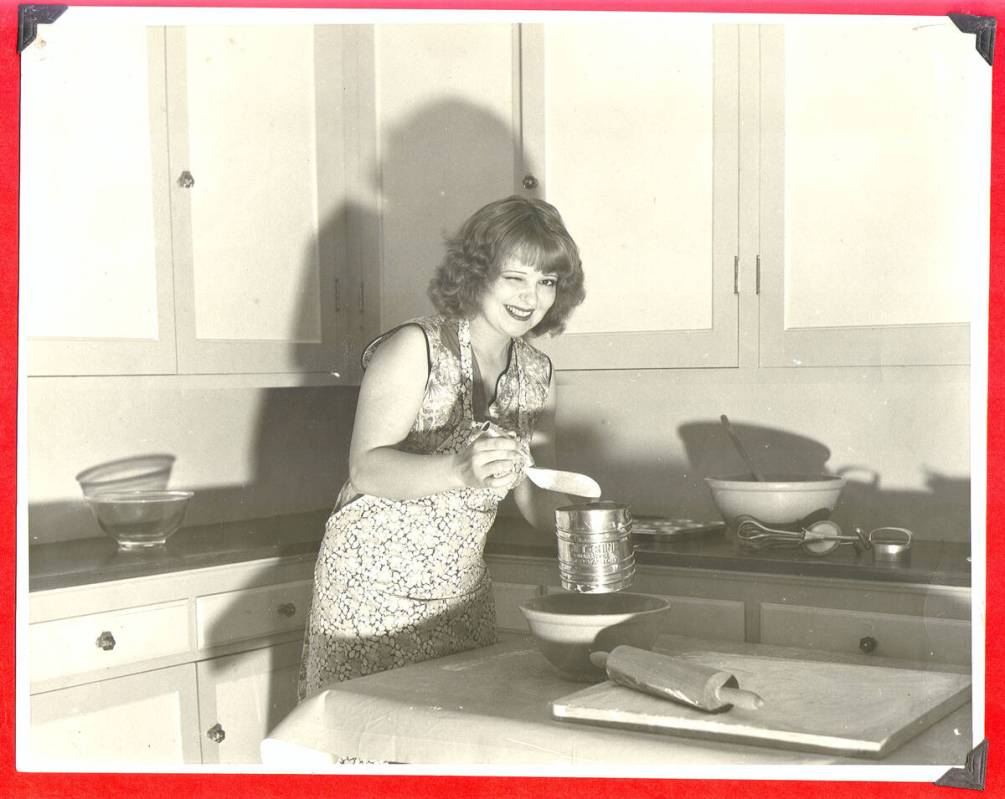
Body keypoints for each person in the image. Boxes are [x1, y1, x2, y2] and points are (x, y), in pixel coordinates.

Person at [297, 195, 586, 700]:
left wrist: (588, 527)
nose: (531, 296)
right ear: (477, 273)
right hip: (368, 596)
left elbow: (534, 490)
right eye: (513, 277)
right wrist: (460, 469)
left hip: (460, 596)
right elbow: (366, 469)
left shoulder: (538, 374)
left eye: (546, 281)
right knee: (368, 752)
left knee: (449, 744)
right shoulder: (415, 347)